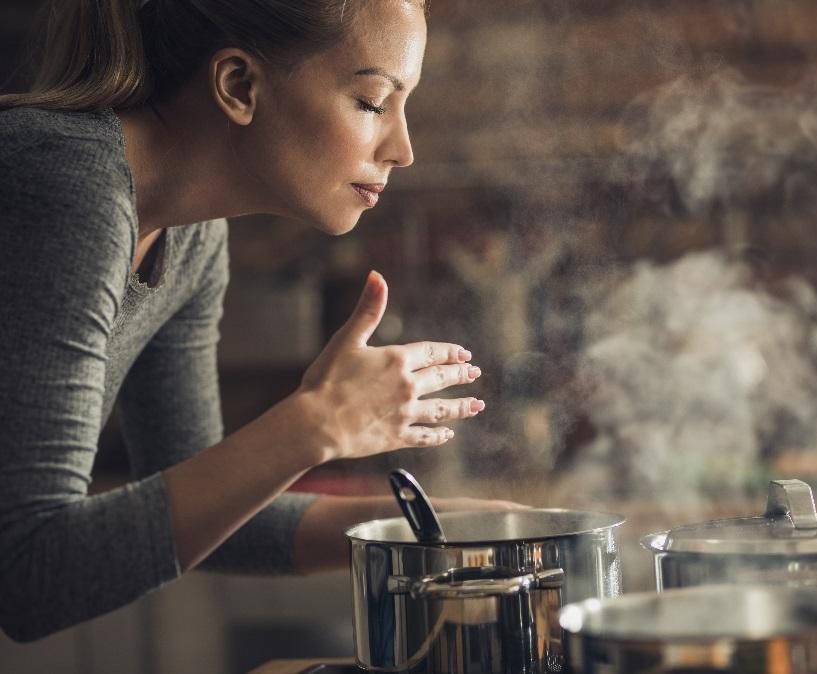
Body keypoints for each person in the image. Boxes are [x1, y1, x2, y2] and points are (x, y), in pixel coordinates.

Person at [0, 0, 504, 643]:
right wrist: (317, 423)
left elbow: (210, 513)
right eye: (374, 101)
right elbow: (30, 576)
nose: (404, 149)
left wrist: (466, 529)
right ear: (239, 85)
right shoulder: (65, 186)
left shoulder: (192, 237)